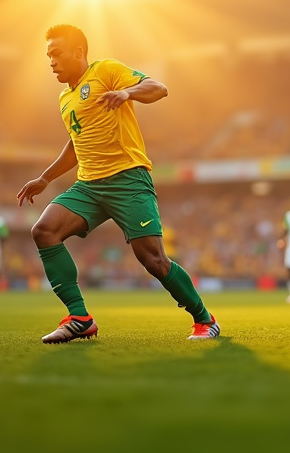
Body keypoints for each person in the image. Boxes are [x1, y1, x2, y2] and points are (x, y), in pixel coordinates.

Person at [17, 24, 219, 343]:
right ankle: (80, 317)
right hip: (89, 186)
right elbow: (76, 142)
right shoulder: (65, 98)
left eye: (56, 54)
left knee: (153, 260)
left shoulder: (107, 70)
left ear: (79, 52)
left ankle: (205, 319)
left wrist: (127, 92)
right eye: (48, 56)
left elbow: (158, 88)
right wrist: (46, 177)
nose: (51, 62)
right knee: (44, 230)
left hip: (128, 178)